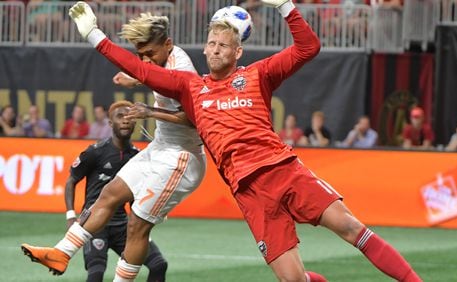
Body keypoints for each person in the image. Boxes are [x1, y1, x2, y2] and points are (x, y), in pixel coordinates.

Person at [22, 2, 421, 282]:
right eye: (210, 45)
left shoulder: (258, 75)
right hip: (250, 194)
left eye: (222, 46)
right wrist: (94, 35)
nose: (214, 51)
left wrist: (285, 7)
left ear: (238, 51)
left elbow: (308, 48)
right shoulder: (190, 87)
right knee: (292, 279)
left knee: (353, 229)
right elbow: (137, 66)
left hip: (284, 172)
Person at [21, 10, 206, 282]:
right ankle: (61, 253)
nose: (146, 60)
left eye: (150, 53)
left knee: (137, 225)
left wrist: (150, 113)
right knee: (108, 194)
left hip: (181, 158)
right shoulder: (161, 60)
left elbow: (196, 120)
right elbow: (153, 74)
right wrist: (136, 78)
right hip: (160, 148)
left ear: (168, 44)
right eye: (141, 54)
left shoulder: (183, 70)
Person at [65, 100, 167, 282]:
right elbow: (72, 180)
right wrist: (71, 216)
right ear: (110, 124)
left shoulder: (138, 157)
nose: (126, 120)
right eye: (120, 117)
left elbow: (138, 195)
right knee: (96, 273)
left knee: (159, 264)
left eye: (129, 117)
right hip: (96, 224)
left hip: (123, 225)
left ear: (135, 122)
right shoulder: (95, 152)